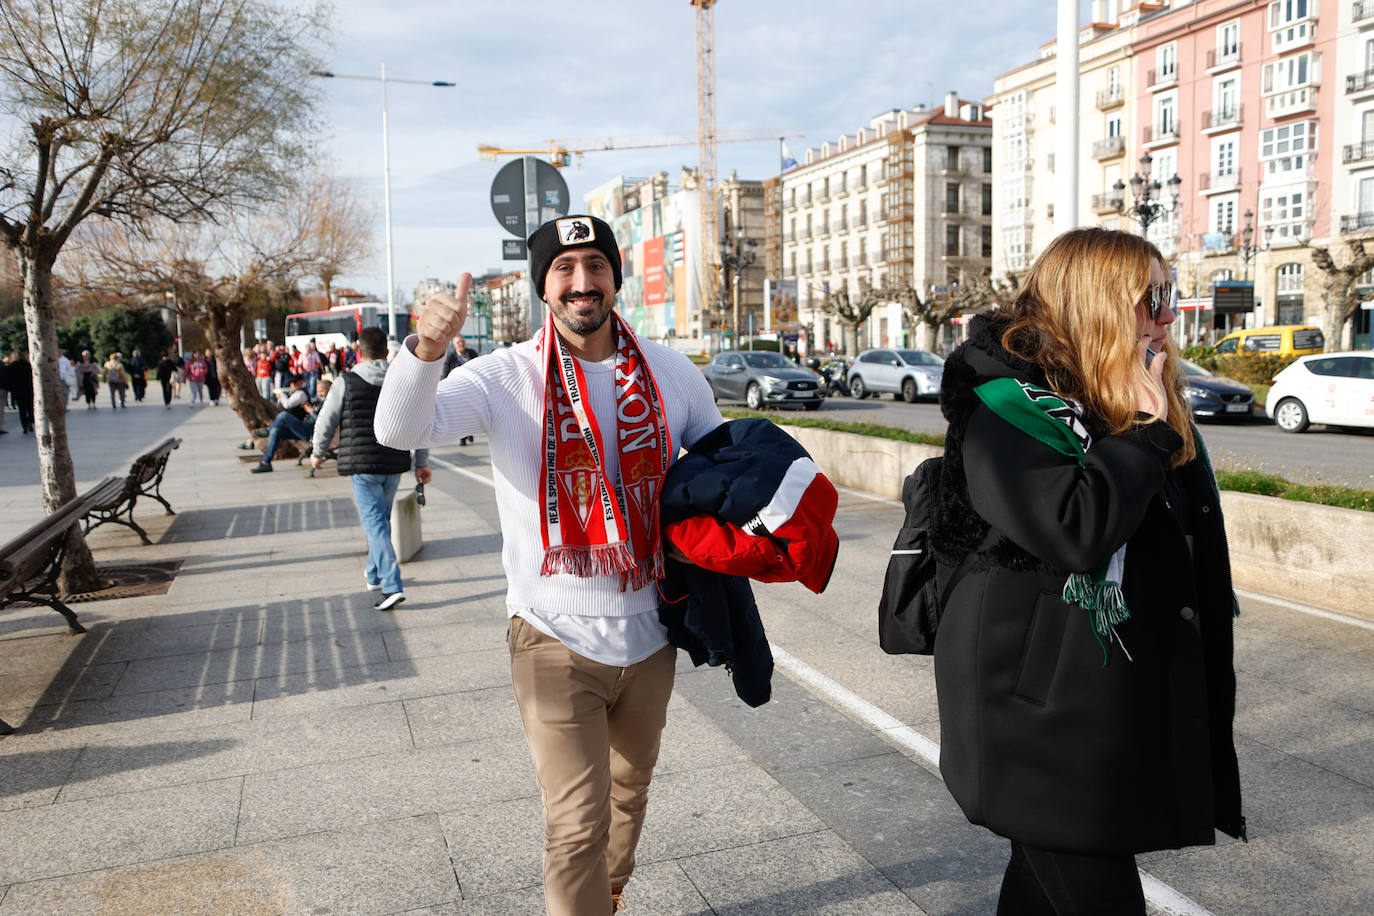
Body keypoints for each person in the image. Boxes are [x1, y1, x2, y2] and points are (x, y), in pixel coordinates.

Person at [375, 215, 723, 916]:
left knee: (630, 792)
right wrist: (426, 350)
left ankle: (610, 894)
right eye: (563, 269)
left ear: (615, 277)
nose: (581, 282)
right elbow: (399, 431)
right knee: (574, 825)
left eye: (595, 265)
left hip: (652, 630)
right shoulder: (507, 376)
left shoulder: (670, 373)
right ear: (543, 285)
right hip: (552, 635)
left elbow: (721, 469)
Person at [929, 227, 1244, 914]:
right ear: (1097, 302)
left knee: (1042, 889)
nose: (1168, 315)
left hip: (1095, 698)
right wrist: (1145, 432)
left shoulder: (1119, 395)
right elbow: (1072, 528)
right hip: (1031, 710)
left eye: (1172, 295)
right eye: (1152, 298)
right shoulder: (1006, 404)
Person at [311, 327, 430, 610]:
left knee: (376, 524)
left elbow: (327, 420)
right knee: (380, 522)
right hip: (393, 462)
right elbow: (421, 421)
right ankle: (373, 573)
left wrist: (317, 453)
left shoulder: (346, 381)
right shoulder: (400, 380)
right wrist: (421, 462)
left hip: (362, 465)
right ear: (385, 351)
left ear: (358, 350)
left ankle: (391, 586)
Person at [251, 373, 313, 473]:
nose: (292, 385)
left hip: (308, 430)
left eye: (294, 383)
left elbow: (288, 404)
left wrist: (282, 396)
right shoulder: (297, 392)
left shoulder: (301, 394)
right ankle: (266, 462)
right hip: (302, 427)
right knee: (276, 431)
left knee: (284, 415)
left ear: (300, 383)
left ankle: (268, 430)